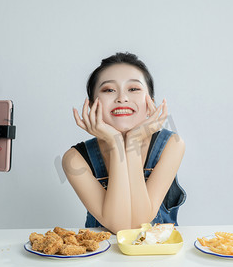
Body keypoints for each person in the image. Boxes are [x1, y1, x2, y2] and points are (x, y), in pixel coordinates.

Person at [62, 52, 186, 234]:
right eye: (108, 90)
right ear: (91, 106)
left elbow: (139, 225)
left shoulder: (172, 145)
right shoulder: (74, 159)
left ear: (151, 103)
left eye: (134, 89)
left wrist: (133, 142)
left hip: (159, 258)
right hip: (101, 259)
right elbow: (120, 228)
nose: (122, 98)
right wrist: (116, 143)